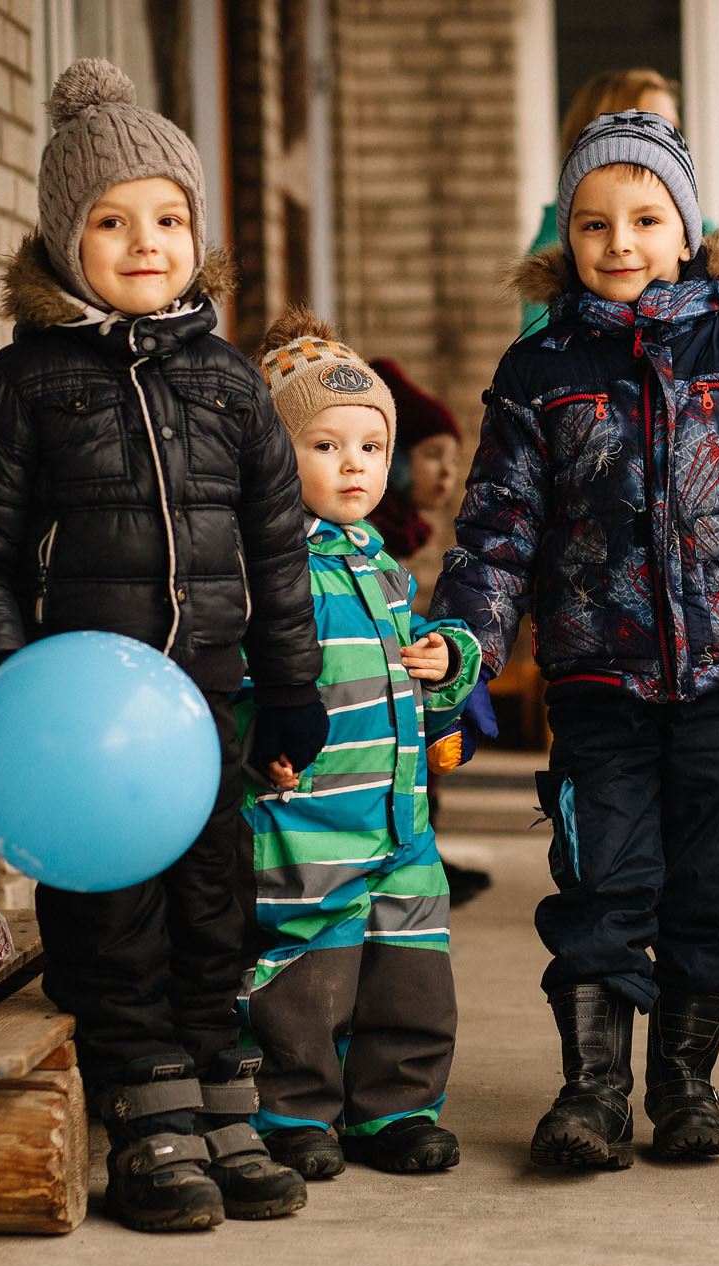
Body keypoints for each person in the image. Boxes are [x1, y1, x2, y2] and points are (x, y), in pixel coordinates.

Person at [432, 110, 719, 1170]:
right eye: (593, 223)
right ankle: (591, 1089)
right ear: (566, 237)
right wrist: (464, 652)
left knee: (711, 886)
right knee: (598, 876)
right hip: (597, 679)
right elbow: (497, 528)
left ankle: (684, 1081)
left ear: (687, 231)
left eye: (643, 218)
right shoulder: (539, 373)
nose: (619, 242)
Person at [0, 59, 325, 1233]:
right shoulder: (22, 388)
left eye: (167, 217)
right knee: (109, 922)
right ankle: (146, 1121)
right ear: (64, 239)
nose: (143, 241)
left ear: (196, 235)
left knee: (214, 908)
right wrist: (15, 688)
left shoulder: (229, 385)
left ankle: (219, 1096)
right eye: (110, 220)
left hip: (207, 709)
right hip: (83, 734)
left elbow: (277, 554)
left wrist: (291, 694)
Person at [237, 314, 483, 1180]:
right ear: (272, 456)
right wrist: (254, 733)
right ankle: (292, 1111)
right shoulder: (264, 570)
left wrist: (447, 656)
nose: (356, 466)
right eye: (326, 444)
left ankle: (397, 1108)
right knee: (308, 968)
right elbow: (233, 678)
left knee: (409, 970)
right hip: (307, 810)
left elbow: (414, 658)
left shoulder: (378, 561)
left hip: (399, 813)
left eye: (373, 447)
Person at [366, 358, 499, 906]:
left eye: (453, 458)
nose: (448, 474)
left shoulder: (403, 532)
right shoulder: (369, 534)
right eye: (431, 457)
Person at [520, 69, 719, 334]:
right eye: (652, 124)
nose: (668, 141)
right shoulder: (556, 267)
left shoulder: (705, 240)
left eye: (674, 129)